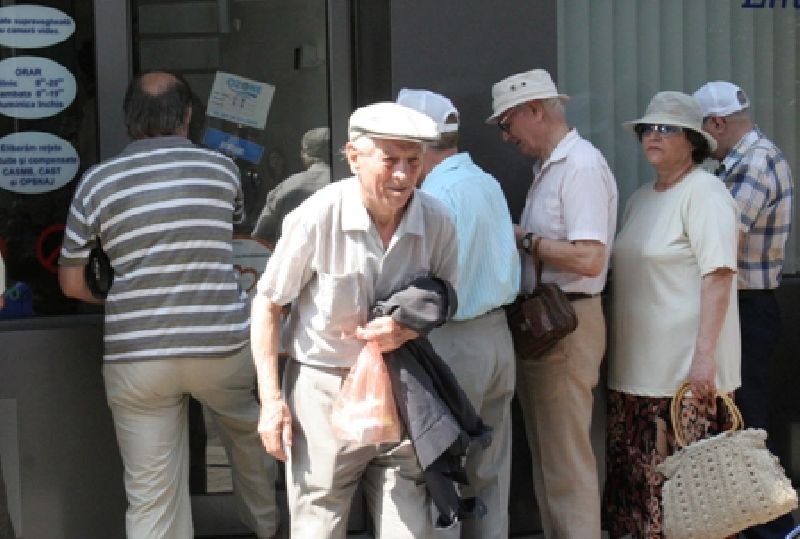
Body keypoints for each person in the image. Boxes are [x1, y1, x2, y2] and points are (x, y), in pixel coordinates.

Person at [58, 71, 278, 539]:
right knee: (248, 439)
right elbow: (233, 229)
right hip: (220, 345)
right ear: (188, 116)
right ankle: (266, 525)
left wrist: (119, 296)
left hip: (138, 355)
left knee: (150, 492)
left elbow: (71, 284)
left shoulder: (96, 183)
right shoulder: (221, 170)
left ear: (129, 120)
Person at [251, 101, 458, 539]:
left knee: (411, 528)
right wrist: (271, 402)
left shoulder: (437, 219)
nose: (402, 176)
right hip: (325, 386)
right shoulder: (316, 216)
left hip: (402, 382)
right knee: (319, 521)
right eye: (390, 160)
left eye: (413, 162)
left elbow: (445, 296)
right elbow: (268, 305)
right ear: (353, 156)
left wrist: (407, 327)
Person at [486, 68, 617, 538]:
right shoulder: (553, 166)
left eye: (507, 124)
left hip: (567, 320)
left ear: (535, 111)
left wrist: (526, 240)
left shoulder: (579, 166)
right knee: (551, 457)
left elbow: (589, 257)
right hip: (551, 321)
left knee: (566, 461)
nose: (506, 137)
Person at [604, 91, 740, 538]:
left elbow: (719, 274)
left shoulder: (705, 192)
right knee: (641, 502)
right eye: (648, 128)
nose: (654, 136)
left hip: (681, 381)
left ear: (693, 141)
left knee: (689, 508)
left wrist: (705, 358)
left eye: (667, 129)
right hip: (635, 377)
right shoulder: (641, 198)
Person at [396, 88, 519, 539]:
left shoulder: (437, 195)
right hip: (497, 336)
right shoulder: (484, 181)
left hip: (454, 338)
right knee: (492, 470)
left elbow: (425, 279)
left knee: (443, 467)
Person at [693, 81, 795, 539]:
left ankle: (773, 529)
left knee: (748, 422)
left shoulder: (755, 163)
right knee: (741, 418)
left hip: (748, 306)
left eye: (699, 131)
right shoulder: (742, 160)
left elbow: (725, 236)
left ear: (717, 123)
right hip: (742, 304)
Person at [252, 126, 331, 247]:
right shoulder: (351, 184)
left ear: (305, 154)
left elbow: (260, 235)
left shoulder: (287, 186)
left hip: (292, 256)